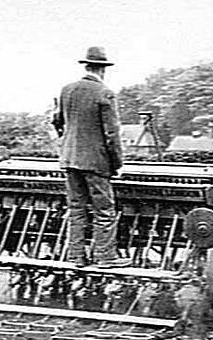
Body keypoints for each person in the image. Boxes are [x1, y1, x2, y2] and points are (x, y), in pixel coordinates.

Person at [52, 46, 130, 268]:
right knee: (104, 210)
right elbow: (112, 134)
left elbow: (57, 121)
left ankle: (76, 256)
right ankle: (105, 257)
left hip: (69, 159)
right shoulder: (104, 93)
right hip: (95, 161)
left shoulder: (66, 90)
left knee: (76, 208)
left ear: (86, 66)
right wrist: (117, 163)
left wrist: (67, 141)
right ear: (103, 70)